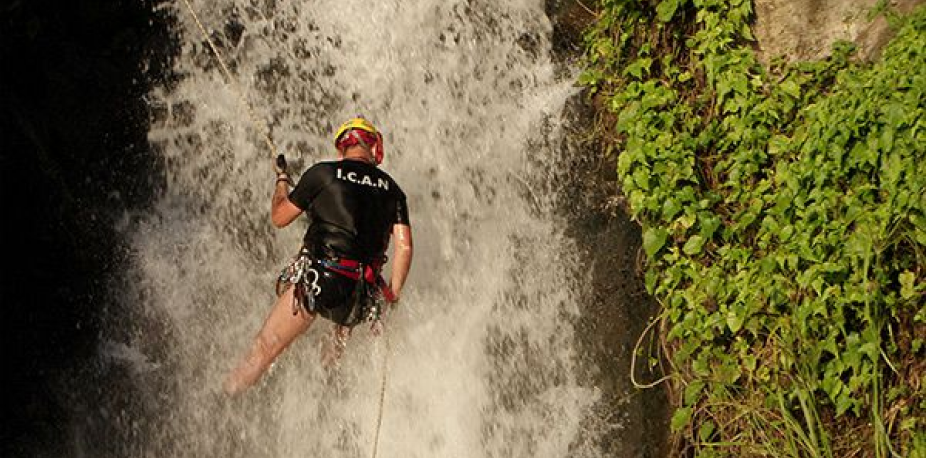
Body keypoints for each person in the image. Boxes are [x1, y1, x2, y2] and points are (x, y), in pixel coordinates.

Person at [223, 117, 413, 395]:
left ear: (341, 148)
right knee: (334, 349)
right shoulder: (393, 191)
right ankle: (326, 399)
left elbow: (279, 217)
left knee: (266, 346)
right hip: (362, 293)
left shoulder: (322, 174)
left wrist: (282, 180)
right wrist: (393, 294)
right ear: (374, 148)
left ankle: (228, 393)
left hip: (321, 279)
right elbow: (405, 247)